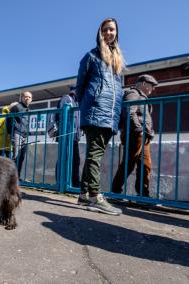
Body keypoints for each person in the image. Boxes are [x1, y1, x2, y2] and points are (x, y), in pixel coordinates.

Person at [75, 18, 125, 215]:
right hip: (96, 110)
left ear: (116, 32)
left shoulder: (116, 59)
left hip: (110, 112)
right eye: (105, 30)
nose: (109, 33)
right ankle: (96, 197)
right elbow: (80, 86)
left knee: (93, 155)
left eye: (112, 29)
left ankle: (84, 194)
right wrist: (86, 106)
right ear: (100, 32)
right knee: (95, 155)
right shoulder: (91, 56)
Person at [111, 74, 158, 197]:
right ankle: (115, 192)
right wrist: (139, 130)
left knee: (145, 165)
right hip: (135, 134)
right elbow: (129, 112)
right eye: (151, 86)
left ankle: (143, 195)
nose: (152, 89)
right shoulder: (133, 93)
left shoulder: (140, 96)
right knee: (129, 163)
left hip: (143, 135)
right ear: (144, 84)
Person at [56, 87, 81, 188]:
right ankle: (60, 183)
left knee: (75, 160)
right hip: (66, 136)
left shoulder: (77, 102)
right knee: (64, 159)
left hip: (73, 136)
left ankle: (73, 183)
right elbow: (60, 116)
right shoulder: (67, 99)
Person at [6, 91, 33, 177]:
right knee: (16, 156)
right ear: (21, 98)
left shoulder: (28, 109)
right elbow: (8, 119)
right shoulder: (16, 107)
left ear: (31, 99)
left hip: (25, 135)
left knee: (21, 157)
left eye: (29, 97)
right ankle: (12, 177)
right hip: (17, 133)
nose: (27, 98)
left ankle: (17, 176)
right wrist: (10, 133)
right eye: (25, 96)